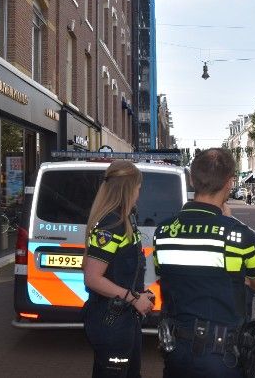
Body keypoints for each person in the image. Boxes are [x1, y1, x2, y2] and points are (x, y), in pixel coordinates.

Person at [153, 148, 255, 377]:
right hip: (222, 357)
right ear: (229, 183)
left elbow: (164, 274)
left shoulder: (163, 231)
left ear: (192, 179)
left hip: (176, 352)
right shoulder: (238, 236)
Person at [82, 160, 155, 378]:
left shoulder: (124, 221)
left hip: (123, 318)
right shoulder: (112, 225)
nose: (139, 194)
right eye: (138, 188)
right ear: (128, 189)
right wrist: (133, 298)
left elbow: (121, 272)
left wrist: (139, 295)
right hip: (112, 321)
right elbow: (92, 278)